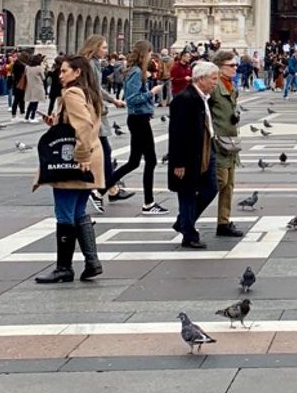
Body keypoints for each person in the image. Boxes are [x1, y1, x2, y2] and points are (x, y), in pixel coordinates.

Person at [33, 55, 105, 284]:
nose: (60, 75)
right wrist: (57, 122)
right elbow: (86, 122)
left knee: (64, 214)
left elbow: (83, 124)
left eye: (64, 71)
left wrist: (81, 155)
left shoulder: (72, 93)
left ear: (77, 73)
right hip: (92, 157)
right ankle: (92, 262)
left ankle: (64, 268)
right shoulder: (91, 92)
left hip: (74, 160)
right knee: (79, 212)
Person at [167, 61, 220, 248]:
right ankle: (188, 233)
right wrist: (178, 162)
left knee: (211, 188)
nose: (216, 82)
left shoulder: (204, 97)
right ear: (201, 78)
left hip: (206, 149)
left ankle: (183, 222)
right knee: (187, 193)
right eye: (213, 79)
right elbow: (177, 133)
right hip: (190, 154)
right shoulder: (184, 99)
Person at [110, 40, 167, 214]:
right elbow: (132, 99)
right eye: (149, 53)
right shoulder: (135, 72)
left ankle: (102, 188)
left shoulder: (136, 71)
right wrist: (153, 92)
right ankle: (148, 203)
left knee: (134, 161)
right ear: (144, 54)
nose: (151, 56)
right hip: (139, 119)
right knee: (151, 160)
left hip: (138, 119)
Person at [80, 35, 134, 212]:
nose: (106, 50)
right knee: (103, 151)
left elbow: (96, 88)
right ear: (94, 47)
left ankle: (111, 189)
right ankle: (102, 190)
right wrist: (108, 102)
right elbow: (93, 88)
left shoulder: (93, 63)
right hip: (94, 113)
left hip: (97, 111)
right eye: (103, 47)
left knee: (104, 152)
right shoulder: (90, 64)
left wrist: (112, 100)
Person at [208, 50, 245, 238]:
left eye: (236, 65)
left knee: (229, 184)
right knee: (218, 182)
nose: (236, 68)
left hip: (230, 141)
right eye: (232, 65)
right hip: (218, 142)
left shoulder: (230, 86)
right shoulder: (214, 87)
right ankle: (187, 218)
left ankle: (223, 222)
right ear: (221, 67)